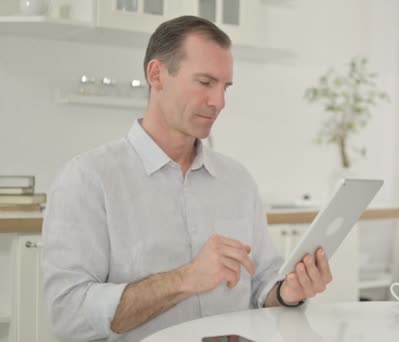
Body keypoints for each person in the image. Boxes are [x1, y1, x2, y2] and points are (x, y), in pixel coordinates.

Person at [41, 15, 333, 342]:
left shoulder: (236, 180)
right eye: (205, 83)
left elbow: (261, 282)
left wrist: (286, 291)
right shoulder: (88, 179)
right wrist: (186, 279)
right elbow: (67, 317)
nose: (219, 102)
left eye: (225, 87)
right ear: (157, 75)